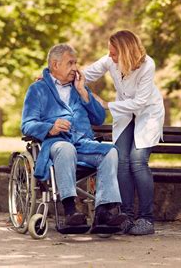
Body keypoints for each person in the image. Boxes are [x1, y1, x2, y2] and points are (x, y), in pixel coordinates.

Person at [21, 43, 126, 233]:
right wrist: (50, 127)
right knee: (65, 148)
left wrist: (84, 92)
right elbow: (27, 124)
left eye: (76, 63)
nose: (75, 68)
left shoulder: (79, 87)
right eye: (70, 63)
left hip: (83, 143)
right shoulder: (37, 89)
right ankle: (70, 210)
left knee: (110, 151)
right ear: (55, 65)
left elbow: (99, 118)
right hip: (56, 144)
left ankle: (104, 211)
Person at [83, 30, 165, 235]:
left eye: (114, 53)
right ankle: (126, 217)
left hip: (147, 113)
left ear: (126, 52)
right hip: (125, 113)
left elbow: (140, 102)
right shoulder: (110, 61)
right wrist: (51, 76)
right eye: (109, 52)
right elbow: (86, 74)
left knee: (138, 161)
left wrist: (107, 105)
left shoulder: (147, 65)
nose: (110, 56)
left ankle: (146, 219)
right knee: (121, 160)